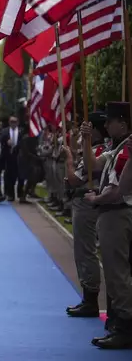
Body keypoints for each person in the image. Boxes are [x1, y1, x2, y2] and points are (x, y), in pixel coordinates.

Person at [82, 102, 132, 349]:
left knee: (117, 273)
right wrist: (85, 139)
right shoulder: (118, 148)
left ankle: (124, 327)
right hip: (113, 214)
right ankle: (118, 322)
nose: (106, 125)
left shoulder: (126, 150)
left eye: (110, 121)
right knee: (117, 272)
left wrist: (94, 199)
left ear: (122, 124)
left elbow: (116, 192)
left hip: (117, 214)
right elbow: (93, 164)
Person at [63, 111, 109, 319]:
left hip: (86, 202)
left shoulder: (98, 150)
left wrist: (69, 160)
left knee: (85, 250)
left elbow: (73, 179)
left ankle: (90, 298)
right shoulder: (105, 149)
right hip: (95, 202)